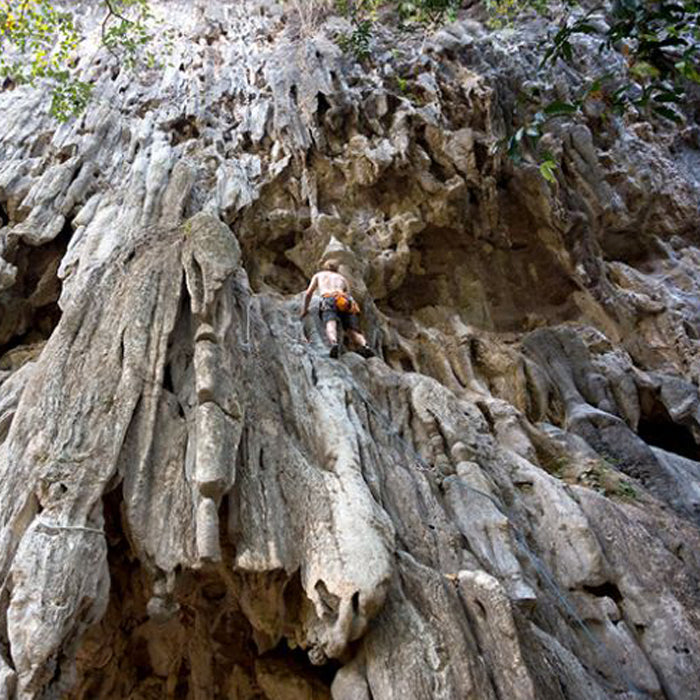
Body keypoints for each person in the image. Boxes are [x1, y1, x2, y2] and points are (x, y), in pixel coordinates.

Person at [300, 260, 375, 359]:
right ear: (337, 268)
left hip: (328, 298)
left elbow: (309, 293)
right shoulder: (342, 278)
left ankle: (334, 344)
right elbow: (348, 294)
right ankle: (365, 345)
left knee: (331, 323)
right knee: (352, 330)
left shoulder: (319, 275)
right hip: (344, 300)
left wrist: (304, 310)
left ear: (324, 267)